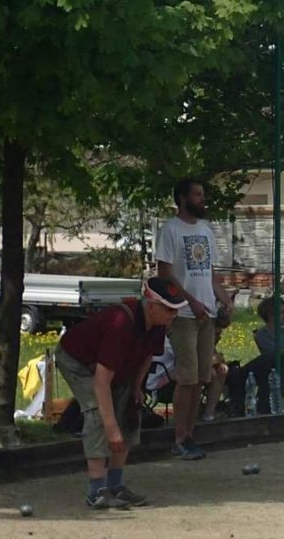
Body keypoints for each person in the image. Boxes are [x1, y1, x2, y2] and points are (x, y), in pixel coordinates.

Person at [53, 277, 184, 509]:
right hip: (77, 360)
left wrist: (136, 387)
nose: (174, 315)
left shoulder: (159, 325)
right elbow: (101, 382)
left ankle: (116, 485)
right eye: (169, 309)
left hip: (116, 365)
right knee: (97, 413)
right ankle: (97, 491)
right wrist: (112, 429)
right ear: (151, 305)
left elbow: (147, 356)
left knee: (129, 411)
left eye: (176, 310)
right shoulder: (121, 323)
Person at [155, 178, 234, 460]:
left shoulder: (205, 230)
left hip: (207, 315)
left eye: (203, 194)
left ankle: (190, 433)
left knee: (202, 376)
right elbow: (165, 275)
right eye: (197, 194)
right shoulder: (170, 230)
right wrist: (191, 300)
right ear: (183, 198)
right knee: (186, 378)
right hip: (183, 314)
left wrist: (224, 299)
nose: (203, 199)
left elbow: (209, 272)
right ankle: (179, 438)